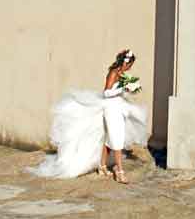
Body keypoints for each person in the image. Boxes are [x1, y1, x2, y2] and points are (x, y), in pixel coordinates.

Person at [29, 49, 147, 182]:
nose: (130, 68)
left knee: (110, 138)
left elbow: (118, 93)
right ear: (125, 63)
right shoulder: (113, 72)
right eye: (130, 65)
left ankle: (102, 166)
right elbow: (106, 93)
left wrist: (129, 90)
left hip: (118, 108)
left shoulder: (122, 74)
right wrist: (122, 88)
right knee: (117, 139)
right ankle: (120, 171)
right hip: (111, 109)